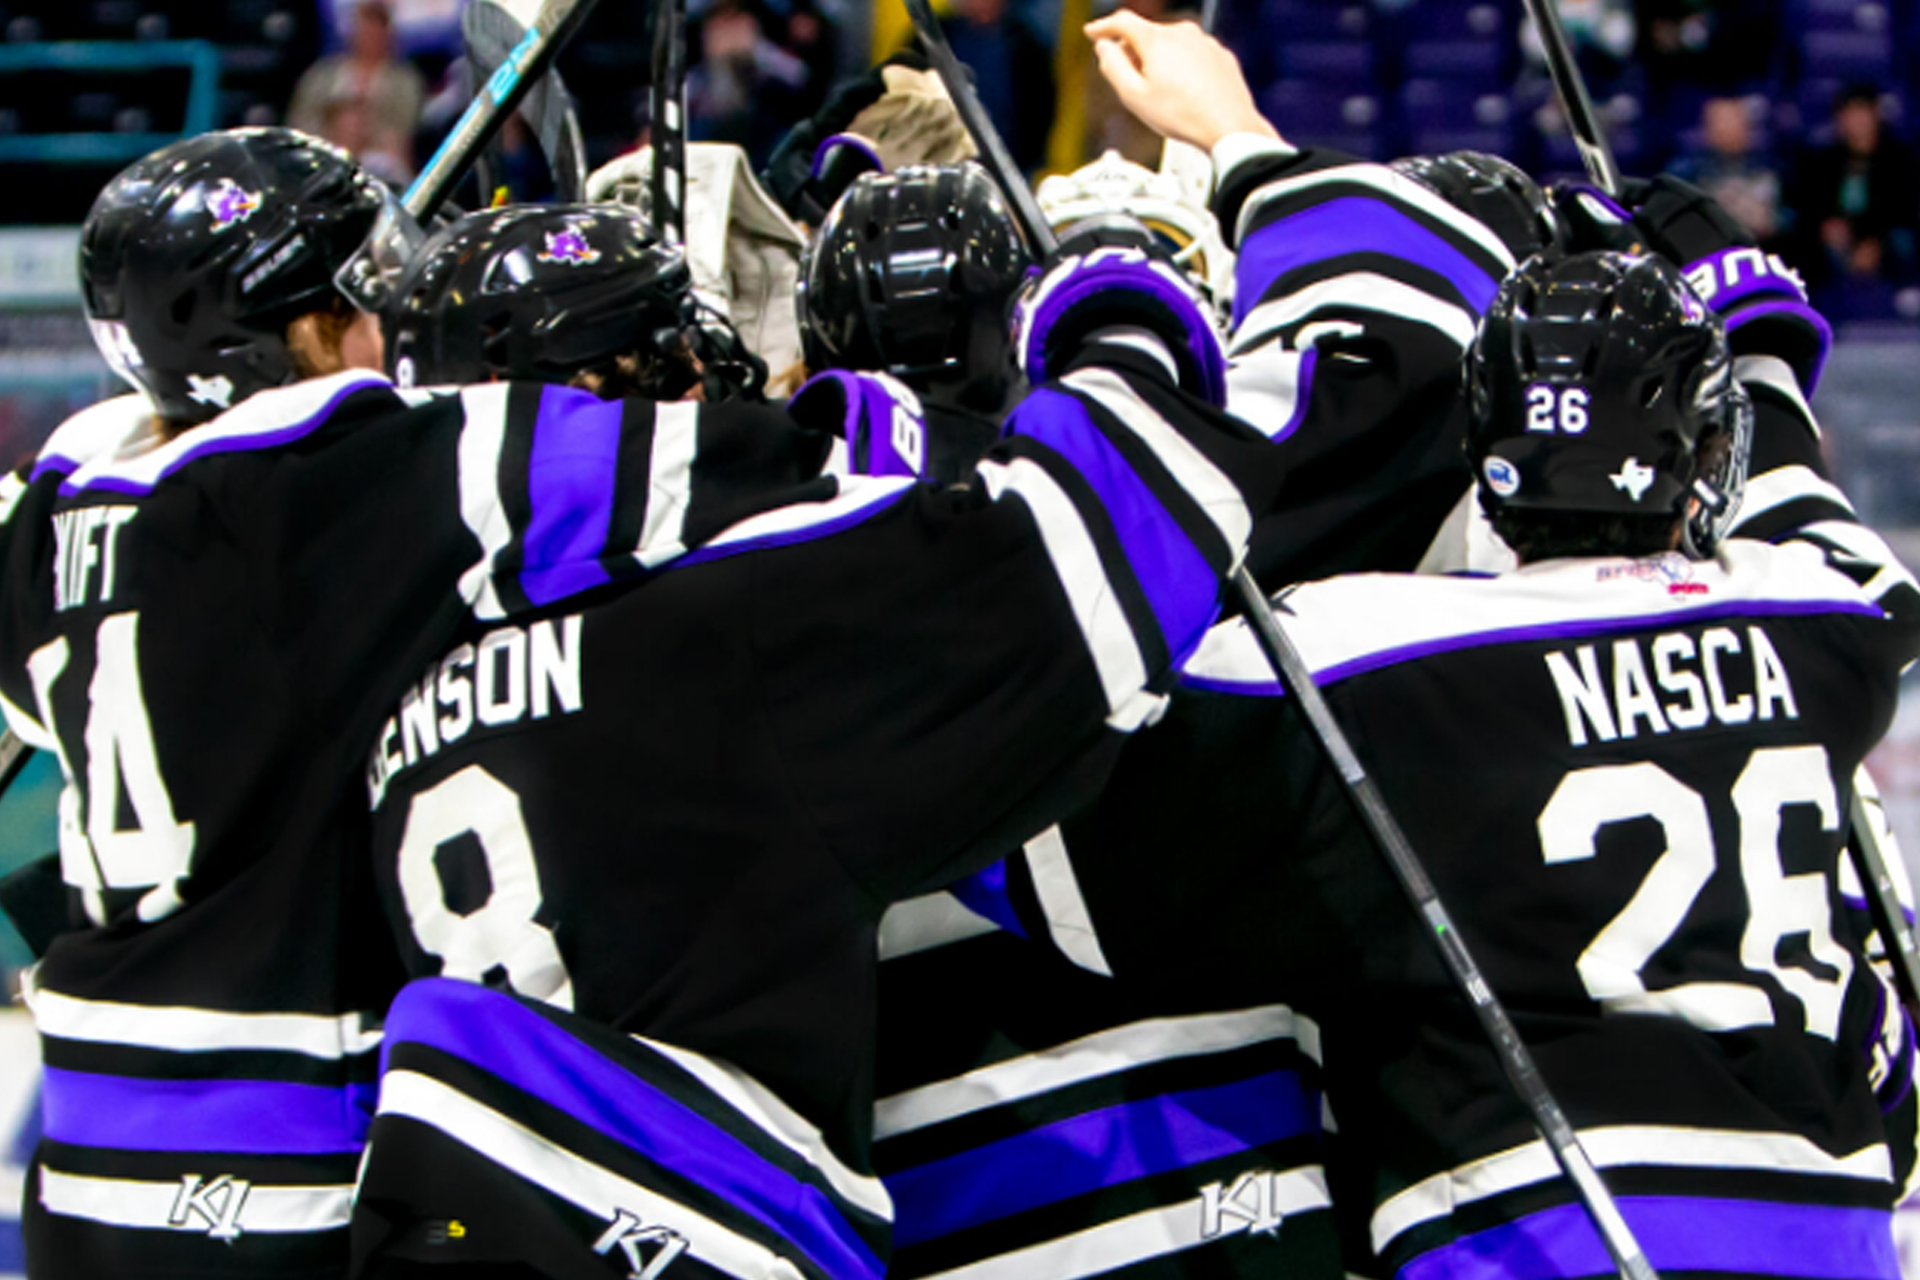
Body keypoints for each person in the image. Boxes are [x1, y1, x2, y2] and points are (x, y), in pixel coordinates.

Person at [337, 174, 1291, 1278]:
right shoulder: (732, 618)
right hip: (681, 1225)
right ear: (602, 385)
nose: (710, 378)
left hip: (441, 1222)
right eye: (673, 353)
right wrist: (1121, 319)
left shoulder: (390, 691)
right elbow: (1101, 551)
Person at [0, 128, 880, 1280]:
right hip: (291, 1162)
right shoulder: (373, 473)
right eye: (359, 292)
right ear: (295, 326)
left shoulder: (47, 523)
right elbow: (728, 462)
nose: (389, 321)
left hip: (85, 1149)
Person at [1785, 82, 1920, 291]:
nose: (1858, 121)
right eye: (1850, 114)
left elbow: (1904, 208)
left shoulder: (1900, 159)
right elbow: (1805, 202)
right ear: (1840, 119)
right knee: (1801, 248)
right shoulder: (1821, 158)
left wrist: (1875, 241)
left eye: (1863, 112)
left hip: (1882, 236)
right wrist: (1824, 226)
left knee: (1901, 244)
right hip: (1835, 240)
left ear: (1876, 115)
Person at [288, 1, 425, 176]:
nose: (370, 37)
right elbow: (300, 121)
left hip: (381, 160)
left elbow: (404, 130)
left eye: (376, 30)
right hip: (324, 156)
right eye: (365, 29)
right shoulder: (321, 75)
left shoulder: (405, 81)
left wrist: (364, 130)